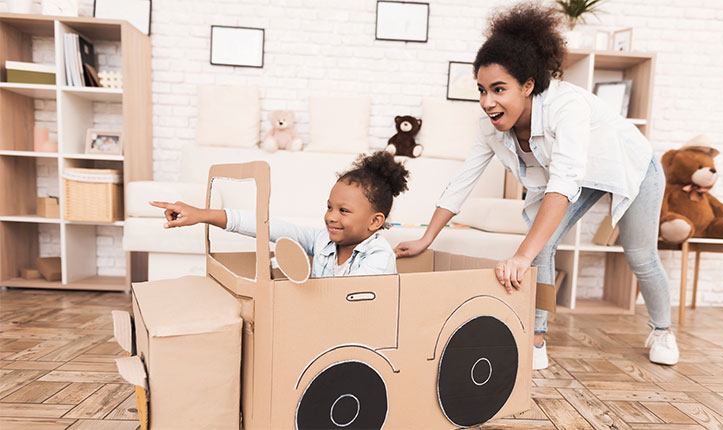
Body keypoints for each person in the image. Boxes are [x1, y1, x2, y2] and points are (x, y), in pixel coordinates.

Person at [396, 2, 677, 370]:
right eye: (481, 90)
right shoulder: (491, 127)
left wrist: (521, 255)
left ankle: (663, 331)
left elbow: (563, 183)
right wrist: (426, 238)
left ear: (528, 85)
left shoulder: (567, 107)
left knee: (640, 256)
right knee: (540, 244)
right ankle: (537, 339)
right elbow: (463, 180)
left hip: (629, 165)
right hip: (574, 173)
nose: (487, 102)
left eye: (498, 89)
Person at [152, 151, 409, 277]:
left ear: (375, 221)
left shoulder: (378, 257)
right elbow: (267, 226)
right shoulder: (323, 240)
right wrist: (202, 214)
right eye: (329, 207)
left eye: (343, 211)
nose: (331, 216)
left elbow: (348, 304)